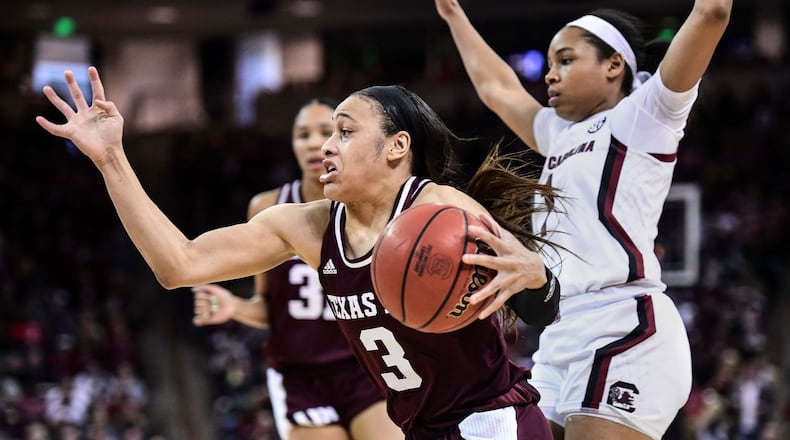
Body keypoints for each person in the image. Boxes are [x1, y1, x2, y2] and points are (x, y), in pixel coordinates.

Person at [36, 67, 561, 439]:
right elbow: (180, 266)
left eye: (345, 132)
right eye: (325, 133)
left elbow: (542, 307)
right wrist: (111, 161)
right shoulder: (306, 226)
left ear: (397, 146)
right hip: (421, 428)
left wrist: (537, 277)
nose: (326, 147)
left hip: (491, 421)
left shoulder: (444, 213)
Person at [435, 0, 732, 439]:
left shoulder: (644, 115)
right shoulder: (558, 134)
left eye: (566, 60)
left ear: (614, 65)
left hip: (624, 327)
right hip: (560, 337)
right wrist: (452, 14)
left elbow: (712, 13)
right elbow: (495, 87)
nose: (550, 74)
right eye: (550, 63)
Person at [191, 98, 402, 440]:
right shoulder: (268, 207)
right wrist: (235, 307)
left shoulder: (370, 205)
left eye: (328, 131)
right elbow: (268, 307)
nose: (314, 142)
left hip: (366, 364)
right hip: (300, 375)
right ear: (292, 143)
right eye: (303, 134)